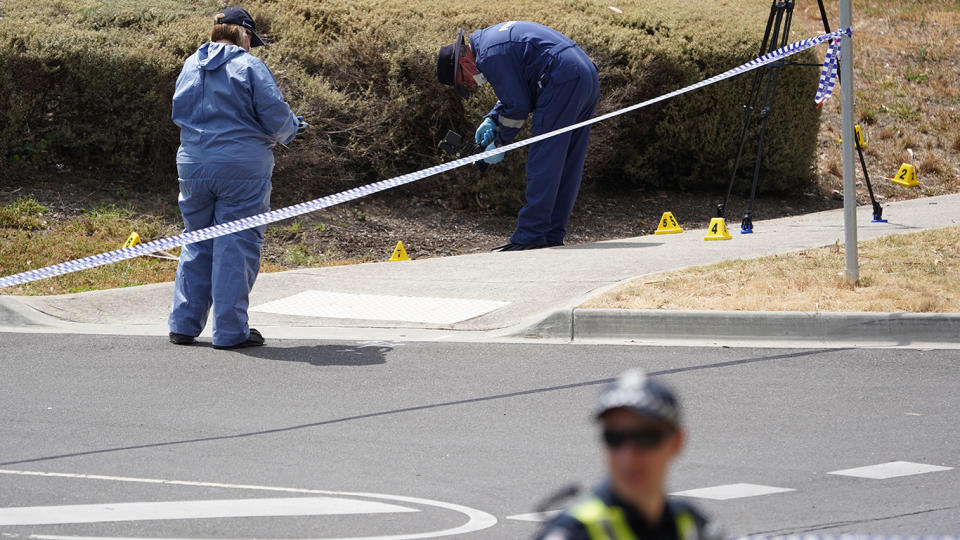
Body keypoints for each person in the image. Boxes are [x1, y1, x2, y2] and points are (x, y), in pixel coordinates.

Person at [168, 6, 306, 350]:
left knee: (197, 240)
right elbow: (276, 117)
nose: (251, 46)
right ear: (243, 34)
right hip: (241, 169)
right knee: (236, 245)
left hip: (193, 166)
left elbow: (179, 112)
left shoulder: (190, 63)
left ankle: (183, 325)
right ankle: (230, 331)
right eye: (250, 39)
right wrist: (292, 128)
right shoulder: (249, 65)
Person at [436, 21, 601, 251]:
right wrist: (492, 119)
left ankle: (531, 236)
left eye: (465, 81)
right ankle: (552, 233)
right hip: (585, 75)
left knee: (543, 159)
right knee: (567, 161)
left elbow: (518, 106)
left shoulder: (489, 57)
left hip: (561, 80)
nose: (472, 85)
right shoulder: (491, 43)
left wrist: (499, 143)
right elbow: (517, 88)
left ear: (464, 62)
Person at [537, 369, 722, 540]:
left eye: (646, 438)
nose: (628, 456)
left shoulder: (693, 526)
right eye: (614, 438)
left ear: (677, 442)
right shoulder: (574, 533)